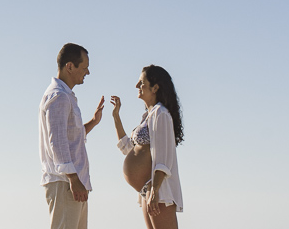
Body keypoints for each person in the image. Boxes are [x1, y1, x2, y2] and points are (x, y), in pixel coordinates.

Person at [39, 43, 105, 229]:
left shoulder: (65, 97)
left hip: (73, 182)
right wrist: (73, 179)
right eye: (84, 67)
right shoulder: (58, 97)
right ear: (70, 66)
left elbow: (69, 136)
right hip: (66, 183)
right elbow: (57, 142)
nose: (88, 72)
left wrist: (93, 122)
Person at [111, 65, 184, 229]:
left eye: (141, 82)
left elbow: (163, 157)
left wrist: (155, 190)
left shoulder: (161, 113)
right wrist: (116, 117)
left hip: (158, 190)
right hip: (147, 190)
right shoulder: (148, 116)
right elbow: (128, 150)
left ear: (155, 87)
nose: (137, 86)